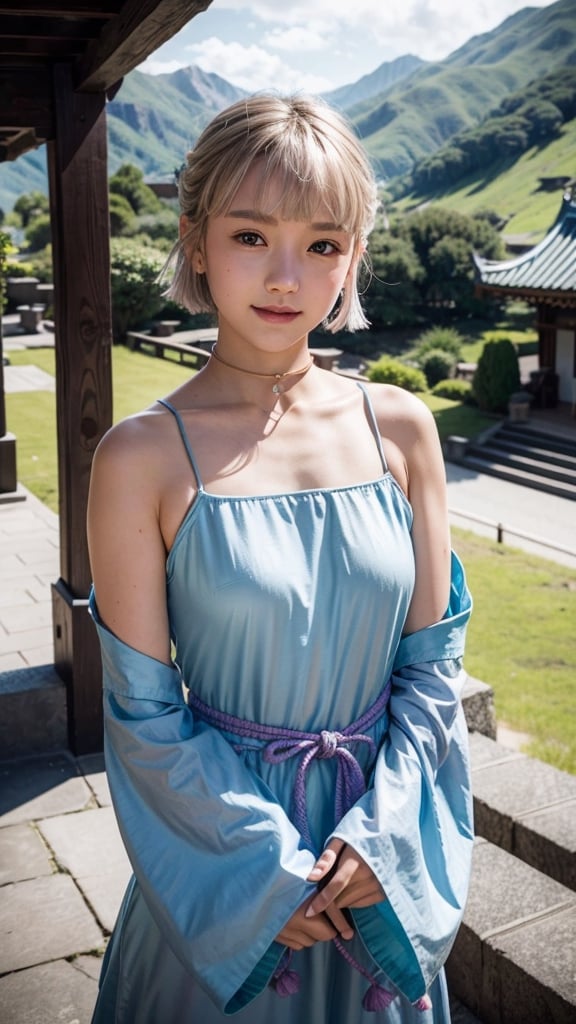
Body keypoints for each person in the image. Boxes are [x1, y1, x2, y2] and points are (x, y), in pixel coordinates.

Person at [87, 94, 473, 1024]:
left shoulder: (403, 432)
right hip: (219, 881)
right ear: (195, 237)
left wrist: (382, 848)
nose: (287, 276)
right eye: (252, 235)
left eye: (324, 244)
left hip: (379, 878)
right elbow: (144, 716)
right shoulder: (139, 457)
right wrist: (265, 881)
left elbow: (431, 677)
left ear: (352, 260)